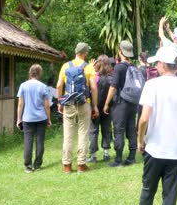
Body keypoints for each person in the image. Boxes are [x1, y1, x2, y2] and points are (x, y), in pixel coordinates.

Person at [137, 46, 177, 205]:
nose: (156, 66)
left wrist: (140, 140)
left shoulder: (152, 85)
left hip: (155, 149)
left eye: (157, 63)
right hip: (175, 152)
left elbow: (143, 119)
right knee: (170, 196)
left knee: (148, 191)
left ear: (163, 64)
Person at [57, 42, 99, 173]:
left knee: (68, 135)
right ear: (85, 53)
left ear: (76, 52)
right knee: (83, 133)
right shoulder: (88, 68)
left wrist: (60, 102)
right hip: (83, 103)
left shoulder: (65, 66)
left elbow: (59, 86)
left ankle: (67, 166)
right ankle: (81, 165)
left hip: (68, 104)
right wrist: (95, 106)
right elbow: (93, 87)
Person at [103, 40, 138, 167]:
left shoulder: (119, 67)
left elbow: (113, 87)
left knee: (119, 130)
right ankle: (132, 158)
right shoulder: (134, 67)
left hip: (120, 103)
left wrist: (106, 103)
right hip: (133, 103)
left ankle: (118, 160)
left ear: (120, 51)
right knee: (131, 129)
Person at [16, 64, 52, 173]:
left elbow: (20, 104)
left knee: (28, 142)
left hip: (27, 119)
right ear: (40, 73)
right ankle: (37, 165)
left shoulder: (23, 85)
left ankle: (28, 166)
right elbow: (46, 105)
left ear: (30, 73)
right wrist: (49, 119)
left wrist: (19, 119)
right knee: (40, 141)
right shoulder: (43, 86)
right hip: (41, 118)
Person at [87, 55, 113, 163]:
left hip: (94, 107)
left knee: (93, 130)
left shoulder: (94, 77)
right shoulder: (111, 78)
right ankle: (106, 153)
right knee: (106, 129)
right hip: (107, 107)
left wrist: (90, 67)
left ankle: (93, 155)